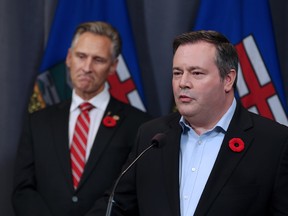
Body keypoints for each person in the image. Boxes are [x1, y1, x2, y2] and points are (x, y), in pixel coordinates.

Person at [91, 30, 288, 216]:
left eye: (196, 73)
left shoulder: (274, 143)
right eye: (177, 73)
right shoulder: (152, 136)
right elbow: (117, 206)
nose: (183, 82)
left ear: (228, 79)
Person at [12, 21, 151, 216]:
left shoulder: (139, 125)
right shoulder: (38, 122)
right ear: (69, 58)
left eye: (98, 60)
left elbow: (133, 193)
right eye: (81, 56)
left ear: (113, 66)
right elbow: (23, 190)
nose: (87, 67)